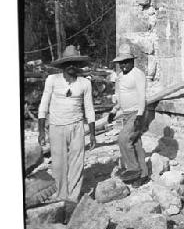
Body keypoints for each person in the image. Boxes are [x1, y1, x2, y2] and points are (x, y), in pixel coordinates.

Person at [38, 45, 96, 203]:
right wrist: (41, 130)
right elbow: (44, 104)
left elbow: (89, 108)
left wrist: (92, 133)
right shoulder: (52, 80)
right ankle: (61, 195)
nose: (72, 66)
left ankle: (72, 198)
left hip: (77, 126)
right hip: (56, 127)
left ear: (78, 65)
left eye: (75, 63)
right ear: (62, 65)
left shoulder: (85, 83)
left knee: (77, 162)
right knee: (58, 164)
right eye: (68, 63)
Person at [107, 46, 150, 188]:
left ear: (132, 61)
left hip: (138, 113)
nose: (124, 65)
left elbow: (142, 96)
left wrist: (139, 115)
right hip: (126, 113)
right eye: (121, 63)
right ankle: (143, 174)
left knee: (123, 139)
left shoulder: (138, 74)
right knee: (135, 143)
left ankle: (133, 169)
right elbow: (120, 97)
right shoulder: (120, 77)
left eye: (126, 62)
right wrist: (114, 110)